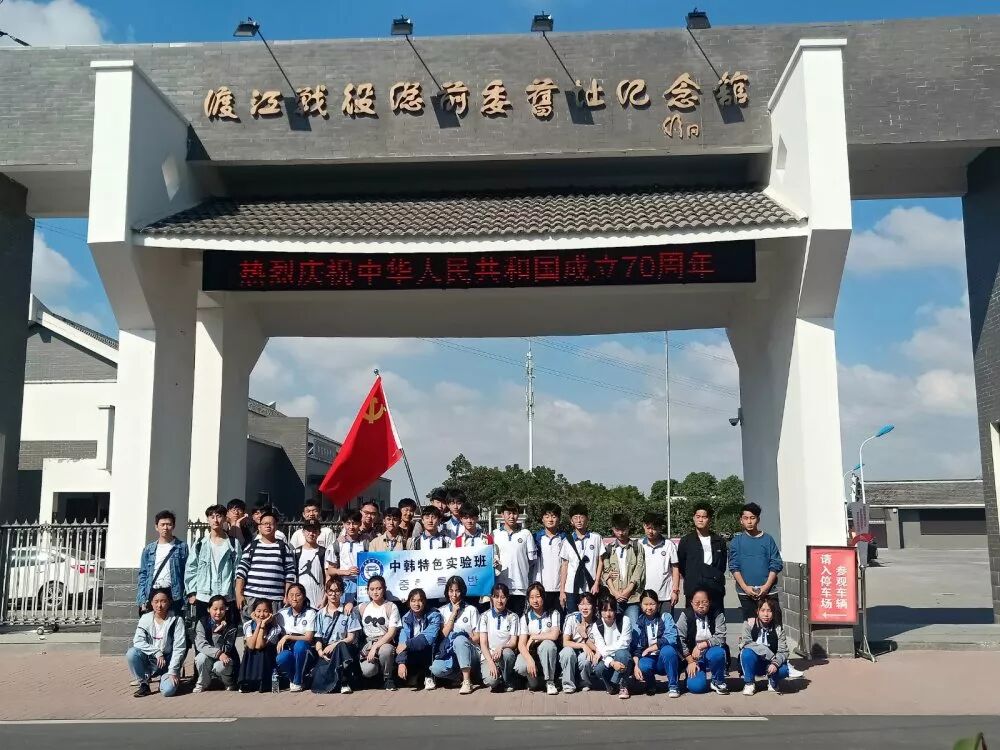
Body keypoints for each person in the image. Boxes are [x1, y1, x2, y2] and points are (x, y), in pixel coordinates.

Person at [235, 509, 296, 618]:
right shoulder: (251, 546)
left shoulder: (284, 547)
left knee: (274, 628)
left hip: (275, 599)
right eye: (265, 524)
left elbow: (290, 574)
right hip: (252, 597)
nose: (268, 526)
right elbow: (241, 572)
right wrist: (239, 594)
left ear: (276, 527)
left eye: (271, 524)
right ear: (259, 527)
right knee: (251, 628)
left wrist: (287, 595)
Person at [185, 504, 241, 624]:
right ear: (208, 519)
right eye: (212, 517)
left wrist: (238, 593)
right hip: (204, 596)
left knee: (227, 630)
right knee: (203, 630)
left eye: (219, 516)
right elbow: (191, 568)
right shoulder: (200, 544)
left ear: (225, 518)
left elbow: (238, 570)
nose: (215, 520)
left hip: (226, 595)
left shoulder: (233, 543)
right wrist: (192, 592)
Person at [729, 502, 784, 623]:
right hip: (745, 593)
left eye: (752, 518)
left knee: (774, 625)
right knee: (751, 626)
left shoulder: (768, 539)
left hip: (769, 591)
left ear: (758, 519)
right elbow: (734, 566)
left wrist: (766, 586)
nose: (749, 521)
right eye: (746, 518)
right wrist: (745, 588)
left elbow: (776, 564)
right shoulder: (736, 541)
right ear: (741, 520)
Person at [126, 588, 187, 697]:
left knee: (168, 691)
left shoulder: (177, 620)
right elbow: (138, 641)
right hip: (150, 660)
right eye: (156, 601)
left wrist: (173, 671)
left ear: (169, 602)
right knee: (132, 653)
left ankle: (165, 679)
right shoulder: (145, 618)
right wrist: (156, 652)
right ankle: (143, 684)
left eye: (163, 601)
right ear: (151, 603)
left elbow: (179, 648)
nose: (159, 605)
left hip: (168, 662)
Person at [430, 576, 481, 695]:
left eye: (457, 591)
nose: (454, 594)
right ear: (447, 592)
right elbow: (443, 635)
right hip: (449, 653)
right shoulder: (441, 611)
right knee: (436, 669)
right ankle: (460, 677)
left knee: (459, 639)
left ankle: (467, 681)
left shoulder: (471, 610)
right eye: (451, 591)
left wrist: (465, 639)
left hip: (471, 652)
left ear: (462, 591)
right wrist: (453, 613)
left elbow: (478, 637)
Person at [312, 576, 362, 694]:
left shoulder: (348, 611)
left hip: (345, 647)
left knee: (341, 646)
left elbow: (351, 638)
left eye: (337, 591)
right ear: (326, 592)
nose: (333, 594)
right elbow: (318, 639)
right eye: (330, 591)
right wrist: (320, 651)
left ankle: (345, 681)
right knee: (319, 677)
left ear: (342, 593)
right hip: (327, 650)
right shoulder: (320, 614)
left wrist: (334, 645)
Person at [675, 588, 729, 695]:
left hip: (710, 651)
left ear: (710, 602)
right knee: (697, 688)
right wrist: (690, 661)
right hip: (693, 657)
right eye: (697, 603)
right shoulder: (686, 615)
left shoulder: (717, 614)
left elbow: (721, 637)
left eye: (704, 602)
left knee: (718, 653)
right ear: (691, 603)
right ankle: (690, 676)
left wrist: (702, 645)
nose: (701, 606)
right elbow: (679, 638)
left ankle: (718, 681)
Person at [630, 589, 682, 698]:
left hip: (664, 658)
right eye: (646, 604)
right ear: (641, 605)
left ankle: (673, 685)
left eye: (652, 604)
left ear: (658, 605)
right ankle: (651, 684)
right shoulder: (638, 623)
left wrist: (651, 648)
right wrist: (636, 666)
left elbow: (671, 638)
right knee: (643, 664)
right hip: (650, 659)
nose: (649, 607)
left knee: (668, 650)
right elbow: (637, 648)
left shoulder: (665, 617)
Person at [676, 503, 728, 611]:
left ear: (709, 519)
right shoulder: (686, 541)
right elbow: (682, 565)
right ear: (693, 518)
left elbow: (722, 565)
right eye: (698, 516)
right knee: (693, 619)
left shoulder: (719, 541)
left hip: (715, 588)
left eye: (704, 517)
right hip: (693, 588)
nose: (700, 520)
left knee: (716, 619)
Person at [136, 510, 188, 616]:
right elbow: (143, 574)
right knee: (152, 625)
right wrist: (142, 598)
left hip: (174, 595)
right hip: (153, 593)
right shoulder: (149, 549)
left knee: (174, 624)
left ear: (173, 526)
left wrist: (186, 598)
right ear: (156, 527)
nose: (165, 528)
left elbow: (186, 573)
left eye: (168, 524)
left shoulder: (182, 547)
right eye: (162, 524)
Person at [514, 582, 561, 694]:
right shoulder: (525, 618)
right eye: (531, 597)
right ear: (528, 600)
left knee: (547, 644)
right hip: (532, 653)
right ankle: (534, 682)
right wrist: (529, 660)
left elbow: (554, 635)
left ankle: (550, 681)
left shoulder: (553, 613)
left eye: (538, 596)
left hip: (548, 653)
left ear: (543, 597)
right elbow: (521, 644)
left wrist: (534, 636)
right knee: (521, 666)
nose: (535, 600)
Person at [558, 504, 605, 613]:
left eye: (581, 517)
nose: (579, 521)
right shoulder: (567, 541)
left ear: (587, 519)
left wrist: (597, 583)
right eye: (575, 518)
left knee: (591, 616)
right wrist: (562, 591)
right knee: (573, 617)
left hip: (590, 587)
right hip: (571, 587)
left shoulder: (596, 538)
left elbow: (600, 562)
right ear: (571, 521)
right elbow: (564, 566)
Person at [738, 597, 790, 695]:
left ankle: (773, 681)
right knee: (746, 653)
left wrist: (775, 663)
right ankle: (749, 683)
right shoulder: (749, 624)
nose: (766, 614)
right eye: (762, 610)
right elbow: (745, 643)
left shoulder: (778, 628)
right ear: (757, 611)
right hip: (755, 662)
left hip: (771, 663)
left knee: (784, 670)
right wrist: (767, 652)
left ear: (773, 613)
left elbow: (784, 651)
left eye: (769, 611)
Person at [358, 575, 401, 690]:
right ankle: (376, 678)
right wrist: (349, 604)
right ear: (367, 591)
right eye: (372, 589)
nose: (375, 592)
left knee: (386, 651)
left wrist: (375, 647)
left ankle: (388, 678)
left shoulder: (390, 606)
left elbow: (391, 632)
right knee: (368, 670)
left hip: (385, 641)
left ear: (384, 589)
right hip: (368, 643)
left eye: (378, 588)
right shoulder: (362, 607)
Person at [494, 500, 537, 617]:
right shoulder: (494, 534)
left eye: (514, 513)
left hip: (520, 586)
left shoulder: (526, 533)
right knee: (502, 620)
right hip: (500, 586)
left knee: (518, 619)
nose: (511, 516)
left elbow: (532, 560)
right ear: (502, 515)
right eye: (508, 513)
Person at [601, 513, 645, 624]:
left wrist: (627, 591)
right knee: (614, 628)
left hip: (632, 598)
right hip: (613, 599)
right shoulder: (608, 548)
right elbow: (605, 572)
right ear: (613, 529)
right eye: (617, 530)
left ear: (628, 528)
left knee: (634, 628)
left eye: (623, 529)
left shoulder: (637, 547)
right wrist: (615, 593)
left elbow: (639, 570)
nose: (620, 533)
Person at [396, 588, 443, 691]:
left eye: (420, 600)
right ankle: (413, 674)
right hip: (414, 651)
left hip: (431, 650)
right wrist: (401, 663)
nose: (416, 604)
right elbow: (402, 642)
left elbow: (429, 638)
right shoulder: (406, 618)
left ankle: (429, 676)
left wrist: (407, 644)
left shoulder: (434, 614)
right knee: (404, 650)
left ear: (424, 602)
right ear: (409, 603)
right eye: (413, 601)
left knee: (426, 646)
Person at [193, 594, 240, 693]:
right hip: (211, 655)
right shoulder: (202, 622)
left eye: (222, 609)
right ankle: (202, 684)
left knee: (220, 666)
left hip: (226, 657)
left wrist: (219, 634)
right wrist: (218, 653)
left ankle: (229, 683)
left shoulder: (231, 626)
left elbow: (228, 648)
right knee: (200, 658)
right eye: (215, 609)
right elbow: (200, 644)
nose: (218, 612)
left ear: (226, 609)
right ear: (208, 609)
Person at [275, 583, 316, 692]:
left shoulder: (310, 613)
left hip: (306, 649)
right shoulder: (281, 614)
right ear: (287, 597)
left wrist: (287, 636)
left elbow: (308, 638)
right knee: (281, 658)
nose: (294, 598)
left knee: (300, 646)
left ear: (304, 596)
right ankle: (296, 679)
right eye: (291, 595)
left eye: (298, 595)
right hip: (289, 648)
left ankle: (297, 681)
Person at [479, 582, 519, 692]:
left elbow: (513, 642)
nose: (499, 600)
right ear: (491, 598)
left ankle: (508, 679)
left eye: (503, 597)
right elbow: (483, 643)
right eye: (496, 597)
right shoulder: (484, 616)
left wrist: (501, 647)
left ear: (507, 598)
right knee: (491, 681)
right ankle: (497, 676)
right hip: (489, 656)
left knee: (508, 654)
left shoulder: (513, 617)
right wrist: (491, 663)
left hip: (505, 654)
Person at [592, 594, 633, 698]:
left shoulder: (625, 620)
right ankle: (612, 686)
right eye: (604, 610)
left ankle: (623, 685)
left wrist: (604, 650)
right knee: (598, 668)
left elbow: (624, 643)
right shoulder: (597, 626)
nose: (608, 614)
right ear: (599, 611)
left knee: (622, 653)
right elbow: (601, 648)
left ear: (615, 610)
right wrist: (612, 663)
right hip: (608, 659)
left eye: (611, 610)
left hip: (623, 657)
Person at [640, 512, 680, 615]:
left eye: (654, 528)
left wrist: (675, 591)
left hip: (665, 597)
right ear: (644, 526)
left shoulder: (669, 545)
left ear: (660, 528)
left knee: (666, 624)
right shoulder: (639, 545)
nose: (651, 531)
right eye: (648, 528)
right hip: (645, 597)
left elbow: (675, 568)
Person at [238, 598, 282, 693]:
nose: (262, 615)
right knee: (249, 650)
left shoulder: (275, 628)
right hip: (253, 650)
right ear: (254, 612)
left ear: (270, 613)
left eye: (265, 611)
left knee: (262, 650)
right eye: (258, 611)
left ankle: (263, 682)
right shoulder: (248, 624)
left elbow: (259, 645)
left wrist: (262, 625)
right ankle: (247, 682)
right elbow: (251, 645)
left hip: (268, 656)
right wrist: (258, 625)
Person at [329, 511, 369, 611]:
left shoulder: (366, 543)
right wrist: (346, 572)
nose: (351, 527)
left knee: (363, 612)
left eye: (354, 523)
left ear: (360, 523)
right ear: (343, 524)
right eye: (348, 523)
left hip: (363, 585)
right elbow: (330, 570)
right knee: (344, 613)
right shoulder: (337, 544)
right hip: (344, 584)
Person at [559, 591, 598, 694]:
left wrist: (584, 635)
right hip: (572, 650)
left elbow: (597, 648)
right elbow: (565, 642)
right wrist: (582, 645)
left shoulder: (598, 622)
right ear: (578, 606)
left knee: (586, 657)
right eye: (581, 604)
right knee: (567, 652)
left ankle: (584, 682)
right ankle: (568, 684)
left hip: (585, 653)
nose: (584, 608)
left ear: (593, 606)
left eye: (588, 604)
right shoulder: (571, 618)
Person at [533, 503, 565, 614]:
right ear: (542, 519)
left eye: (554, 516)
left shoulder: (565, 538)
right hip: (541, 589)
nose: (550, 520)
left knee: (560, 620)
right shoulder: (535, 538)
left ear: (559, 519)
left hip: (560, 589)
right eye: (547, 516)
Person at [293, 521, 327, 613]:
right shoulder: (296, 552)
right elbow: (292, 576)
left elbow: (328, 577)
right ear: (303, 532)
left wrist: (324, 599)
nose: (311, 534)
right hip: (300, 601)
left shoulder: (323, 552)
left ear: (319, 533)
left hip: (318, 601)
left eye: (314, 531)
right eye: (308, 530)